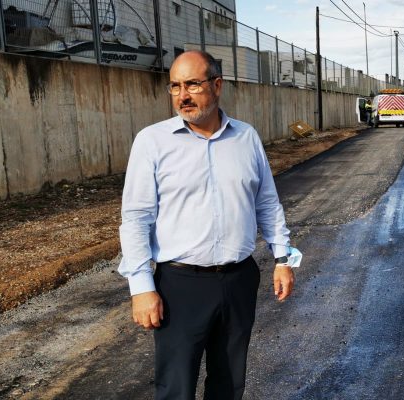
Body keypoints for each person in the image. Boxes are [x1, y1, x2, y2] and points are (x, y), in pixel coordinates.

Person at [118, 50, 298, 400]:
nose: (183, 95)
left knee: (229, 383)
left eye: (193, 84)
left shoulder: (246, 138)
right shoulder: (152, 142)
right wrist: (141, 287)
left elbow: (267, 203)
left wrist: (282, 259)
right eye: (175, 86)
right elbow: (136, 217)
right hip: (179, 285)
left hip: (239, 279)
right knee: (176, 386)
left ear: (217, 85)